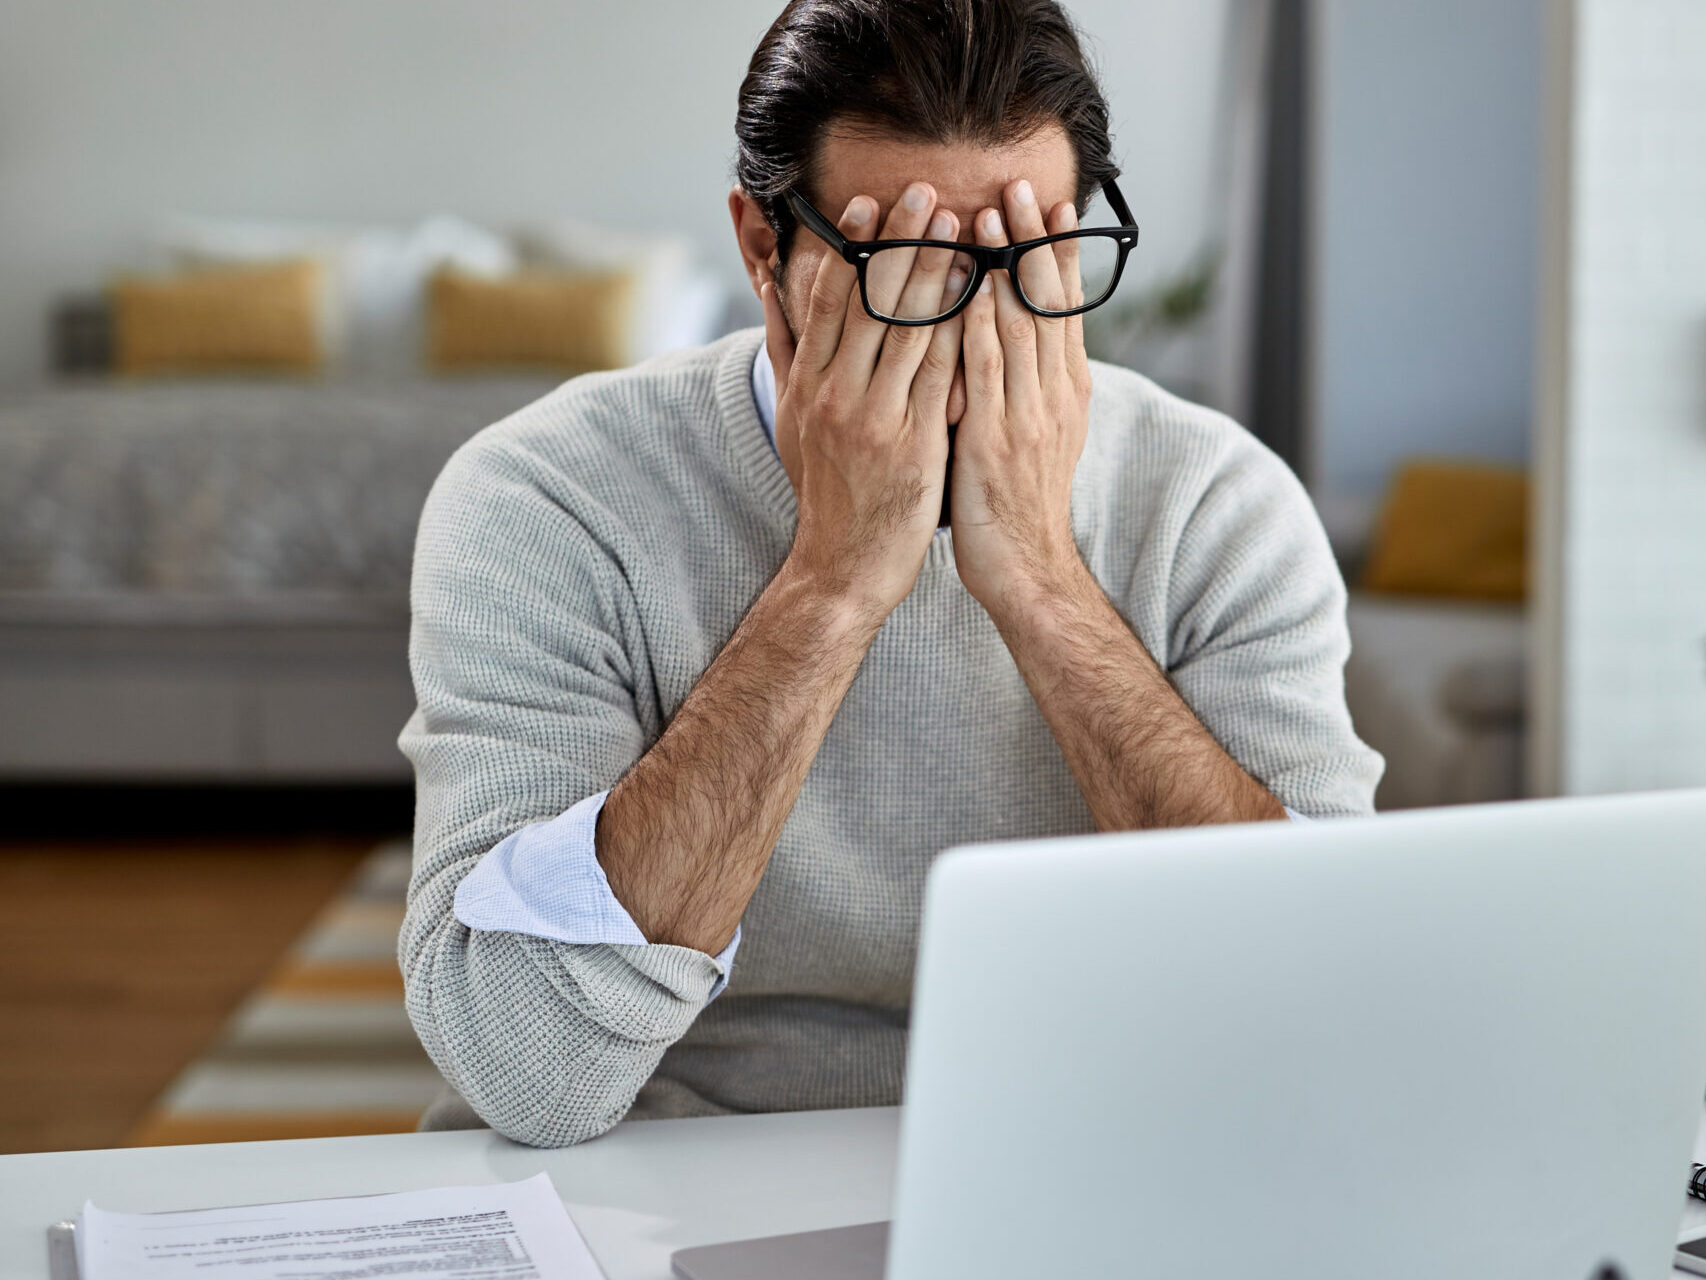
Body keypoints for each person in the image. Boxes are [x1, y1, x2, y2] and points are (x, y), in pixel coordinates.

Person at [398, 0, 1380, 1148]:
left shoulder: (1216, 501)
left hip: (1098, 1153)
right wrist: (834, 581)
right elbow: (528, 1066)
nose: (971, 329)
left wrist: (1044, 581)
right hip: (661, 1159)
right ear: (767, 253)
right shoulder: (545, 499)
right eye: (908, 271)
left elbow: (1322, 1012)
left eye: (1027, 257)